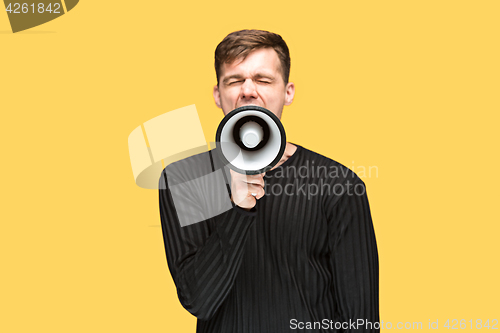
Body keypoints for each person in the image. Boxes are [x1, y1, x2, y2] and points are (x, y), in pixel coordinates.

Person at [159, 29, 379, 333]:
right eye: (235, 80)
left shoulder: (337, 183)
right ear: (217, 94)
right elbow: (198, 301)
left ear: (288, 92)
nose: (248, 91)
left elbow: (361, 319)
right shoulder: (184, 179)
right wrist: (239, 212)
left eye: (263, 80)